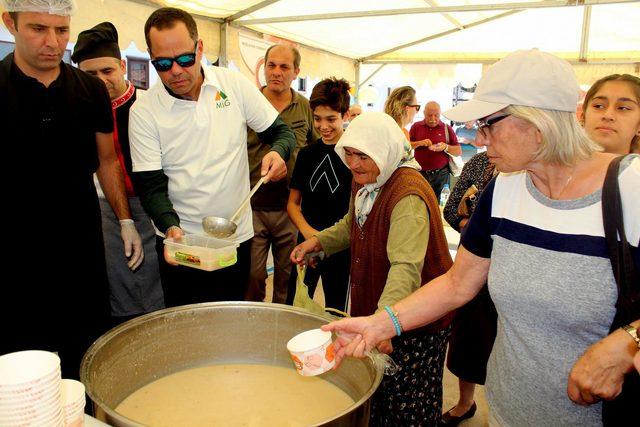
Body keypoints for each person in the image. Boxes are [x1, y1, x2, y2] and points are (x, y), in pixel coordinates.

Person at [323, 49, 640, 427]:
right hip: (507, 410)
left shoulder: (630, 189)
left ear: (538, 121)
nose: (479, 137)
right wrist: (379, 324)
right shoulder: (503, 190)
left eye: (488, 124)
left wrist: (628, 342)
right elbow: (458, 284)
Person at [0, 0, 142, 379]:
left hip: (80, 244)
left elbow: (107, 159)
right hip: (13, 251)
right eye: (37, 29)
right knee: (22, 363)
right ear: (9, 23)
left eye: (61, 30)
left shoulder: (89, 91)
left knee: (83, 351)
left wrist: (125, 219)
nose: (52, 42)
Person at [291, 112, 454, 425]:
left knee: (408, 403)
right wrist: (319, 242)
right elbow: (353, 223)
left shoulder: (407, 196)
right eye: (348, 154)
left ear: (385, 151)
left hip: (415, 321)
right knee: (380, 393)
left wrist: (382, 323)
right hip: (384, 314)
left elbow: (405, 269)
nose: (353, 163)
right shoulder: (367, 180)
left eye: (362, 155)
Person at [129, 7, 295, 307]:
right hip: (181, 242)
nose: (176, 71)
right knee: (183, 322)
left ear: (200, 48)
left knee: (227, 318)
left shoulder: (232, 85)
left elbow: (282, 133)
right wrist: (170, 226)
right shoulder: (144, 111)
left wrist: (277, 153)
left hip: (234, 238)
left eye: (184, 59)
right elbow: (149, 185)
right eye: (163, 64)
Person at [72, 22, 164, 325]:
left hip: (152, 203)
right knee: (122, 286)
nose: (100, 81)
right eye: (90, 74)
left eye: (107, 71)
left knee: (155, 284)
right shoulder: (79, 107)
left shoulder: (150, 104)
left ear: (122, 66)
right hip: (106, 207)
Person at [245, 44, 316, 304]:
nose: (276, 72)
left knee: (287, 278)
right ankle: (252, 325)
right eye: (271, 65)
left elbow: (316, 149)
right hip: (252, 207)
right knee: (253, 275)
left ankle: (281, 332)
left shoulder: (304, 107)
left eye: (284, 66)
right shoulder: (249, 103)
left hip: (290, 209)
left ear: (296, 71)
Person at [441, 151, 498, 425]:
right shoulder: (478, 163)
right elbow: (451, 209)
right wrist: (477, 229)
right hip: (474, 269)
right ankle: (466, 402)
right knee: (469, 341)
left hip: (510, 272)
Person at [286, 77, 353, 312]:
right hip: (306, 242)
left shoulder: (354, 156)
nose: (323, 126)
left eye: (331, 119)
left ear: (345, 115)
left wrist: (325, 242)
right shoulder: (306, 155)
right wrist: (309, 235)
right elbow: (293, 203)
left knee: (336, 312)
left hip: (342, 247)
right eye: (317, 119)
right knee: (296, 305)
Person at [409, 101, 462, 200]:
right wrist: (419, 143)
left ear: (440, 114)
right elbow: (406, 146)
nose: (433, 119)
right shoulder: (416, 127)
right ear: (424, 113)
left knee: (441, 204)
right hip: (421, 173)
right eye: (429, 115)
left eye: (436, 115)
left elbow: (458, 151)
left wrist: (445, 147)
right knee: (420, 202)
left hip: (442, 175)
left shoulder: (447, 128)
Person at [581, 74, 640, 155]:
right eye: (598, 106)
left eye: (623, 108)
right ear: (583, 117)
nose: (608, 116)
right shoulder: (559, 165)